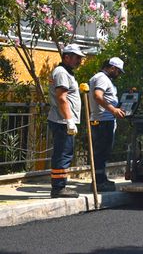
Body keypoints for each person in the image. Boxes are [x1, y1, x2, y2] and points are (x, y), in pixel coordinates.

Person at [47, 44, 85, 198]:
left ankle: (59, 186)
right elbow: (61, 98)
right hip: (62, 121)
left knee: (64, 153)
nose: (79, 61)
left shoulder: (66, 73)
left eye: (80, 58)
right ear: (66, 57)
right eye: (77, 58)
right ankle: (58, 188)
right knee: (63, 154)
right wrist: (69, 120)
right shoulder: (62, 73)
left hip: (63, 120)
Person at [89, 57, 126, 192]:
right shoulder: (102, 78)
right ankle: (99, 182)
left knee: (102, 152)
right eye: (118, 71)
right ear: (112, 68)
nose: (119, 75)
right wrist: (113, 110)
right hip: (103, 121)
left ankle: (100, 179)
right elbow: (98, 96)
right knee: (101, 152)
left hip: (103, 120)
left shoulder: (101, 78)